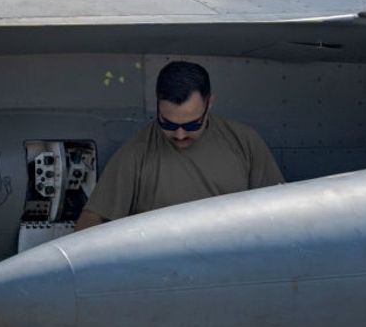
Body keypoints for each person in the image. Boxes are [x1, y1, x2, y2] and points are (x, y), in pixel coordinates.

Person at [76, 61, 284, 231]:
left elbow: (279, 212)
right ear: (157, 106)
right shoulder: (136, 154)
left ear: (209, 103)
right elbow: (91, 223)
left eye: (192, 124)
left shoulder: (243, 142)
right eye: (168, 124)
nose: (180, 134)